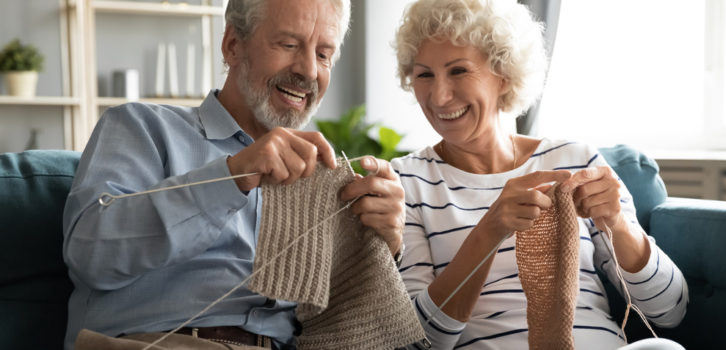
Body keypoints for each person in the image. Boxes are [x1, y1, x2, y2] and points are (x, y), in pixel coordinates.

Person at [62, 0, 406, 349]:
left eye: (323, 55)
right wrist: (233, 175)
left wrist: (385, 248)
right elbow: (91, 255)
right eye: (288, 45)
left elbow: (348, 329)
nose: (308, 71)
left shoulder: (324, 177)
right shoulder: (144, 127)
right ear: (232, 45)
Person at [390, 0, 688, 349]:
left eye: (458, 71)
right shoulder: (405, 182)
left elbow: (671, 311)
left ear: (503, 75)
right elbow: (418, 343)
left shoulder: (576, 158)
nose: (439, 96)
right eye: (424, 74)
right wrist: (490, 231)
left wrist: (619, 226)